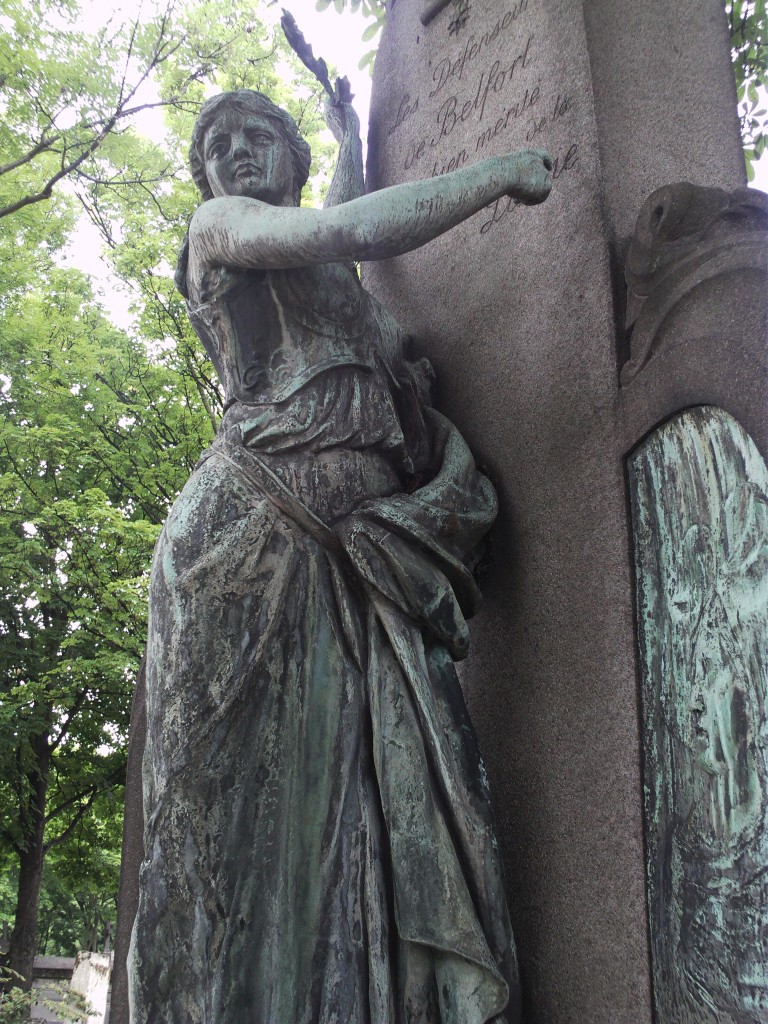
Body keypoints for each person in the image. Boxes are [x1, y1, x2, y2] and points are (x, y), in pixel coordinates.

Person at [127, 88, 551, 1024]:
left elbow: (348, 255)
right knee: (229, 833)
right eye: (220, 147)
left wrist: (353, 131)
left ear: (294, 154)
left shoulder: (337, 288)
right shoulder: (219, 229)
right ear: (205, 180)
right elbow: (353, 230)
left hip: (348, 562)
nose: (237, 156)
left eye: (259, 138)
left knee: (335, 827)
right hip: (244, 549)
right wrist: (495, 176)